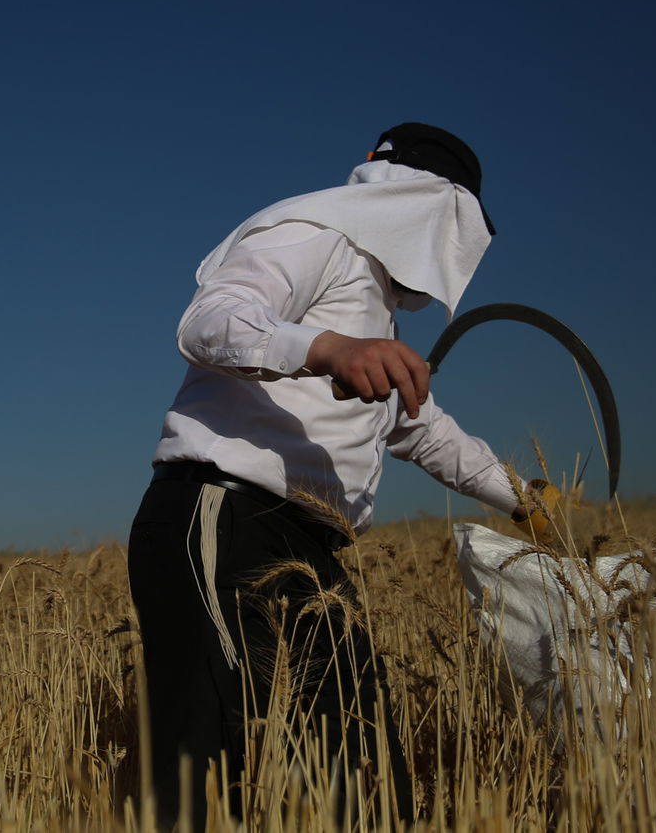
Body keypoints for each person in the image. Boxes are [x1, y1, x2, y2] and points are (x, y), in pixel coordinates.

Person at [128, 123, 527, 828]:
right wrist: (327, 348)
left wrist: (525, 500)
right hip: (221, 517)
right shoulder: (316, 233)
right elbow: (210, 320)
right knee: (219, 761)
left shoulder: (377, 319)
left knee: (360, 773)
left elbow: (422, 427)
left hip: (311, 551)